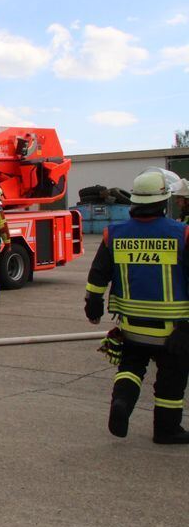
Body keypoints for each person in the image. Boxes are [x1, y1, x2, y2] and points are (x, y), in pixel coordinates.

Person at [85, 170, 189, 444]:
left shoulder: (114, 234)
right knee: (171, 379)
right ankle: (166, 429)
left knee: (131, 368)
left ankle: (121, 402)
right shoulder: (182, 234)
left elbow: (98, 275)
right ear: (163, 200)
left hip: (132, 327)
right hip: (174, 331)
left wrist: (93, 305)